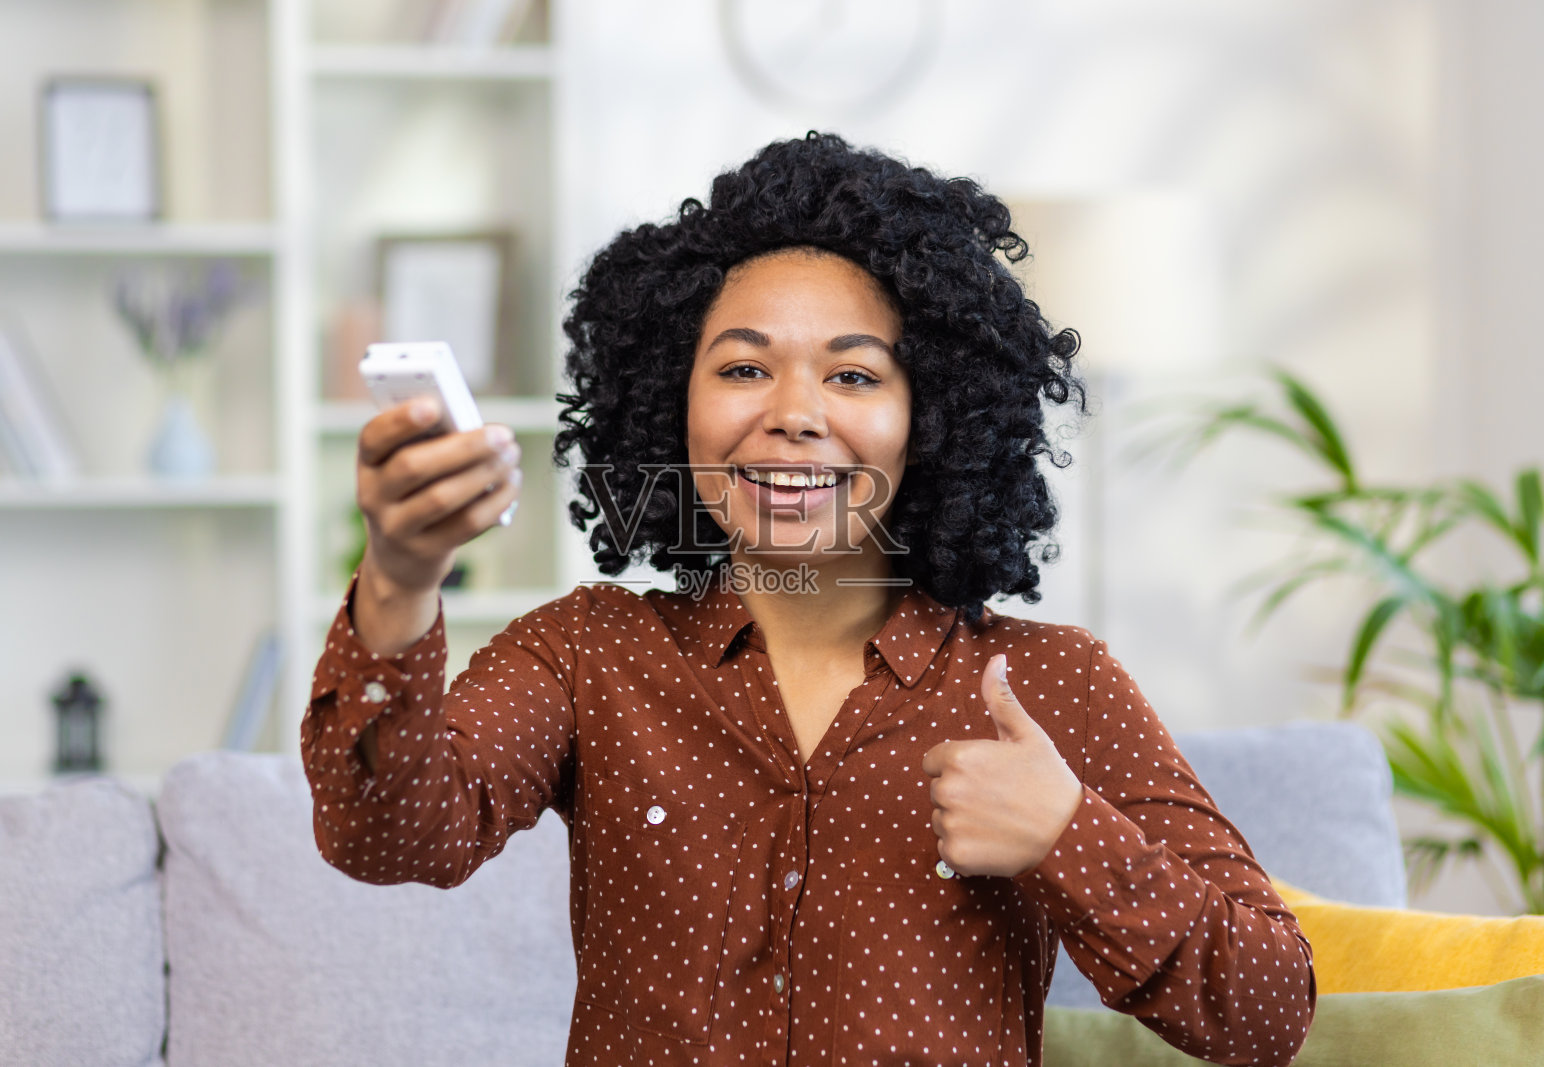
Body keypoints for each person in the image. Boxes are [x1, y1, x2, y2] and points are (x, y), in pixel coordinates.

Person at [302, 132, 1316, 1067]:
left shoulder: (1050, 680)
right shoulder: (585, 654)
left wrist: (1066, 832)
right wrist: (399, 577)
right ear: (669, 403)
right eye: (744, 366)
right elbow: (390, 838)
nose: (792, 414)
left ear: (930, 419)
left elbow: (1268, 1008)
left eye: (853, 374)